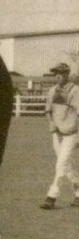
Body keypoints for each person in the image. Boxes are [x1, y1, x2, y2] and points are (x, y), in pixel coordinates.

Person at [40, 62, 79, 210]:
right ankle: (78, 193)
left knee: (61, 164)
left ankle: (51, 197)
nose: (57, 76)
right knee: (67, 165)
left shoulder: (75, 91)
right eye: (55, 73)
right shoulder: (52, 91)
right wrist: (51, 123)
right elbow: (48, 110)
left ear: (66, 75)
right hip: (57, 134)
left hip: (71, 134)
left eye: (60, 74)